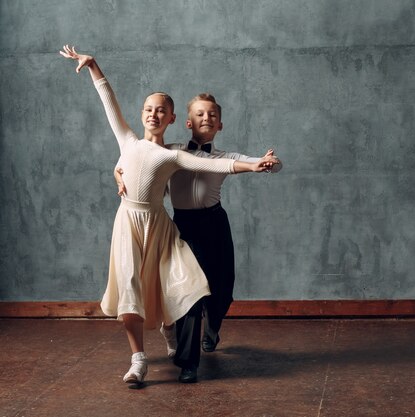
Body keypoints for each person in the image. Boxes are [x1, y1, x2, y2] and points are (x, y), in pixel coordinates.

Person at [59, 45, 278, 384]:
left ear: (174, 119)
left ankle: (192, 332)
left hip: (185, 223)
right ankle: (156, 360)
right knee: (149, 287)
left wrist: (254, 164)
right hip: (146, 222)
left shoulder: (178, 155)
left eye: (161, 111)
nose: (154, 114)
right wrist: (93, 66)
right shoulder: (142, 144)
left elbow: (216, 163)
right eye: (149, 109)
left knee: (200, 288)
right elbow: (110, 107)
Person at [115, 93, 282, 383]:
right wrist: (118, 175)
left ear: (220, 125)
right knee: (189, 292)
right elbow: (134, 162)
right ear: (189, 122)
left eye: (213, 115)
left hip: (215, 223)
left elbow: (264, 164)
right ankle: (188, 363)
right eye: (201, 115)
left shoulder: (225, 156)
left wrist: (268, 163)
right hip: (184, 226)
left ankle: (213, 327)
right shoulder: (172, 152)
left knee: (221, 291)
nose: (207, 119)